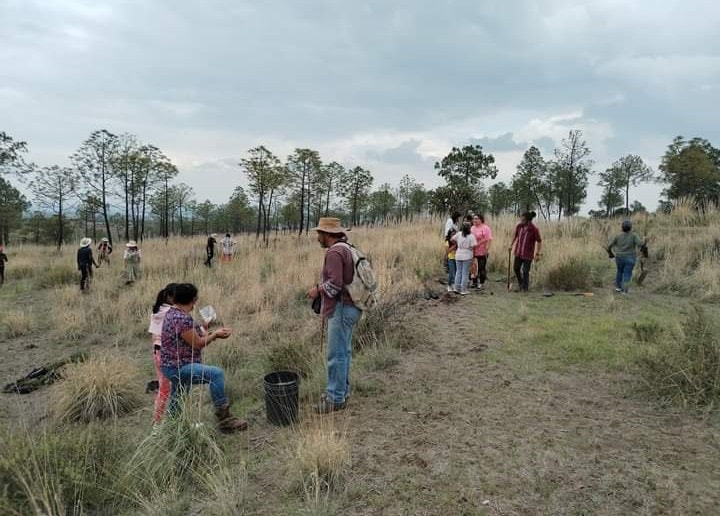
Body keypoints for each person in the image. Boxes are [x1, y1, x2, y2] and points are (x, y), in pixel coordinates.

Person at [159, 283, 247, 433]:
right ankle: (225, 421)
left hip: (169, 366)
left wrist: (207, 330)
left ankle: (172, 427)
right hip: (179, 367)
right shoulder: (181, 318)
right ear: (193, 299)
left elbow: (192, 337)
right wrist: (215, 335)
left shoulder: (172, 313)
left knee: (179, 392)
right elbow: (197, 343)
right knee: (215, 375)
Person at [306, 217, 361, 414]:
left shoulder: (335, 252)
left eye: (319, 233)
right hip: (351, 307)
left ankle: (335, 398)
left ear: (327, 234)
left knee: (335, 355)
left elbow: (335, 285)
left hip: (342, 308)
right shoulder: (346, 247)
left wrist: (317, 290)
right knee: (343, 353)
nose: (318, 237)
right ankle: (341, 393)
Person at [148, 283, 177, 426]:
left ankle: (158, 420)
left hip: (157, 352)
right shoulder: (171, 312)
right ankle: (159, 422)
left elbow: (154, 335)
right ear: (171, 297)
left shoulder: (156, 311)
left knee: (164, 388)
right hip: (167, 352)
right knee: (171, 388)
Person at [509, 211, 542, 292]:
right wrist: (511, 245)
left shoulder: (534, 229)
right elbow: (515, 235)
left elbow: (539, 241)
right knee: (516, 268)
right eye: (521, 219)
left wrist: (537, 253)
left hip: (528, 254)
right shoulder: (519, 226)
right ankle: (521, 283)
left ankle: (525, 288)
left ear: (528, 220)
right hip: (518, 252)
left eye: (523, 219)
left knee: (525, 271)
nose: (521, 220)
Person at [608, 219, 643, 294]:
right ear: (630, 227)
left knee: (619, 272)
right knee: (627, 273)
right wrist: (644, 241)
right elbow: (640, 244)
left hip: (619, 257)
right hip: (630, 257)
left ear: (622, 227)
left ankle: (618, 288)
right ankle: (625, 290)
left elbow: (610, 245)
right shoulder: (634, 235)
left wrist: (610, 252)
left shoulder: (618, 236)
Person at [451, 223, 477, 295]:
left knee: (458, 271)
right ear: (469, 228)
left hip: (458, 253)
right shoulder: (471, 236)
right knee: (465, 272)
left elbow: (451, 239)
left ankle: (456, 288)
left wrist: (456, 244)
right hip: (467, 255)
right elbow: (474, 246)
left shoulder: (459, 234)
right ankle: (463, 289)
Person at [470, 213, 493, 290]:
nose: (474, 220)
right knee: (474, 267)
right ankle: (474, 282)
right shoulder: (472, 228)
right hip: (473, 251)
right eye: (474, 219)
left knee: (481, 268)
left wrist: (487, 249)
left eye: (476, 219)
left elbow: (489, 239)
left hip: (482, 251)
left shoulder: (486, 228)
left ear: (481, 219)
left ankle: (482, 283)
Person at [445, 228, 458, 293]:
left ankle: (451, 285)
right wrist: (453, 246)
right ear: (449, 235)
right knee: (452, 272)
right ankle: (451, 285)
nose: (453, 236)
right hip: (451, 258)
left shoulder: (458, 241)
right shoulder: (447, 242)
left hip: (457, 258)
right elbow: (447, 251)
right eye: (452, 234)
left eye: (455, 234)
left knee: (455, 272)